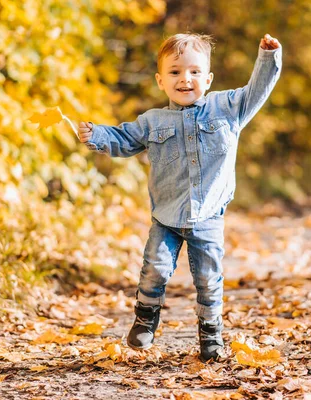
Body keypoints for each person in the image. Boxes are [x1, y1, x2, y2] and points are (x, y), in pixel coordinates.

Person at [76, 32, 282, 362]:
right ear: (160, 80)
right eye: (174, 72)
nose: (185, 78)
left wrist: (267, 58)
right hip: (166, 217)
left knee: (207, 278)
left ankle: (211, 333)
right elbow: (122, 139)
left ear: (208, 78)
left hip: (209, 214)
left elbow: (256, 91)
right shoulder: (152, 121)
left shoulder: (227, 109)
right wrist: (95, 135)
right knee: (154, 269)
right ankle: (145, 318)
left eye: (194, 72)